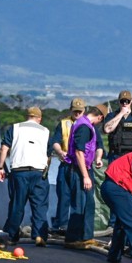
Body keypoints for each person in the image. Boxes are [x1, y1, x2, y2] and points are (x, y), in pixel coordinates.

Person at [0, 106, 51, 246]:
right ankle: (40, 235)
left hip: (19, 172)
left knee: (17, 205)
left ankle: (11, 235)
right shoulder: (45, 131)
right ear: (39, 118)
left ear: (27, 116)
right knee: (39, 205)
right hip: (39, 173)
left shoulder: (15, 128)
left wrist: (0, 167)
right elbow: (48, 155)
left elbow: (4, 148)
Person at [64, 104, 106, 249]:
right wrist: (85, 176)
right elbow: (79, 152)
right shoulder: (84, 127)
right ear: (100, 117)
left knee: (89, 204)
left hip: (85, 168)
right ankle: (72, 238)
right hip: (79, 170)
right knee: (79, 205)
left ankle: (86, 237)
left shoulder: (85, 124)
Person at [48, 98, 86, 235]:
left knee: (78, 199)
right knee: (63, 196)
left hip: (80, 166)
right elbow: (55, 141)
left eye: (79, 111)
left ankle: (77, 227)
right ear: (71, 110)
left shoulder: (87, 124)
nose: (77, 114)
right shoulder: (64, 124)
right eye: (75, 111)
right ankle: (61, 225)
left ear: (84, 111)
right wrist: (60, 152)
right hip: (65, 164)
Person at [102, 91, 132, 159]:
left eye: (127, 101)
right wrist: (121, 113)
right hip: (116, 156)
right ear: (118, 101)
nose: (125, 104)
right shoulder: (112, 116)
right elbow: (107, 129)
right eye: (122, 101)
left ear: (131, 101)